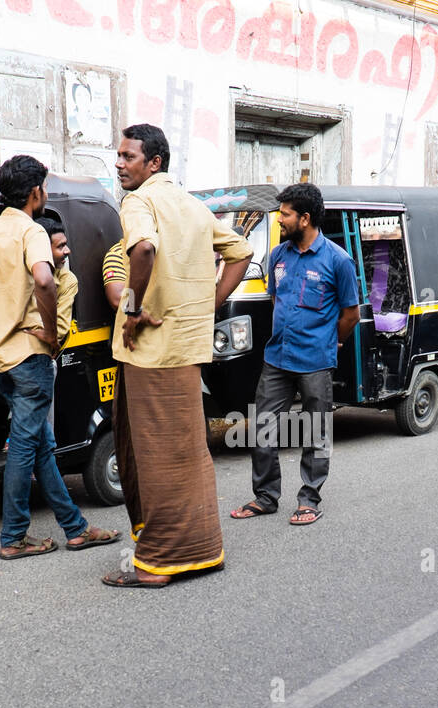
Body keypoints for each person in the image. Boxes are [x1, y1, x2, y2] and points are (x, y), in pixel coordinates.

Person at [101, 124, 252, 588]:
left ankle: (160, 563)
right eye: (119, 156)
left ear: (154, 163)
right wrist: (209, 303)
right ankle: (202, 551)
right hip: (187, 350)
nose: (120, 164)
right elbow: (241, 252)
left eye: (128, 157)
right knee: (188, 452)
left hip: (152, 352)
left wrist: (131, 309)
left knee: (155, 457)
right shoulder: (190, 205)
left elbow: (143, 248)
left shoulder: (138, 201)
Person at [0, 155, 120, 558]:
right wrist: (51, 333)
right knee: (24, 449)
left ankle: (75, 528)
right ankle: (13, 538)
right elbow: (45, 279)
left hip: (1, 361)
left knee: (40, 446)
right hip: (32, 357)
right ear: (35, 193)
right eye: (44, 188)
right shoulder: (32, 232)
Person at [230, 183, 358, 526]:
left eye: (285, 214)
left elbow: (351, 314)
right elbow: (277, 300)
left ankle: (309, 499)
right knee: (261, 427)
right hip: (277, 357)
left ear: (304, 218)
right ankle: (266, 497)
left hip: (315, 360)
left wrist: (331, 342)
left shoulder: (337, 260)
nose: (279, 219)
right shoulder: (278, 256)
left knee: (315, 430)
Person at [37, 215, 80, 347]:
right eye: (60, 246)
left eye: (65, 244)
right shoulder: (21, 276)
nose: (67, 251)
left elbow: (59, 330)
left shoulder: (67, 280)